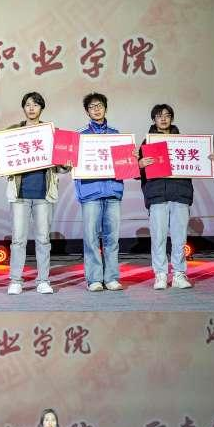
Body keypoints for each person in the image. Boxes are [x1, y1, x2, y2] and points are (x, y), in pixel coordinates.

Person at [6, 92, 65, 295]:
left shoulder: (52, 132)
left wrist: (65, 160)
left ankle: (43, 280)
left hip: (44, 194)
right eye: (28, 104)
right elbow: (0, 157)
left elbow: (63, 166)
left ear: (41, 108)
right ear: (23, 108)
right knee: (18, 240)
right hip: (20, 194)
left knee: (43, 239)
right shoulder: (13, 131)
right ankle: (16, 280)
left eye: (36, 104)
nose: (31, 108)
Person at [138, 104, 194, 290]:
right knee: (158, 237)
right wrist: (140, 164)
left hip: (180, 194)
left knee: (180, 238)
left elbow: (195, 164)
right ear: (153, 119)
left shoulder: (183, 141)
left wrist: (206, 159)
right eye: (159, 116)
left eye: (167, 115)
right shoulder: (147, 142)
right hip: (157, 195)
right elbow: (136, 171)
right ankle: (160, 275)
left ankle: (179, 274)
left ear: (172, 118)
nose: (163, 119)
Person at [75, 92, 124, 292]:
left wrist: (130, 158)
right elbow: (67, 164)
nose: (96, 109)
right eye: (92, 106)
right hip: (90, 193)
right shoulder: (79, 136)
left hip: (112, 191)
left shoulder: (116, 135)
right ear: (87, 111)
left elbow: (125, 164)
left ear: (105, 108)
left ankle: (111, 277)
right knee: (91, 238)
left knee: (112, 238)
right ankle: (94, 279)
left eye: (100, 105)